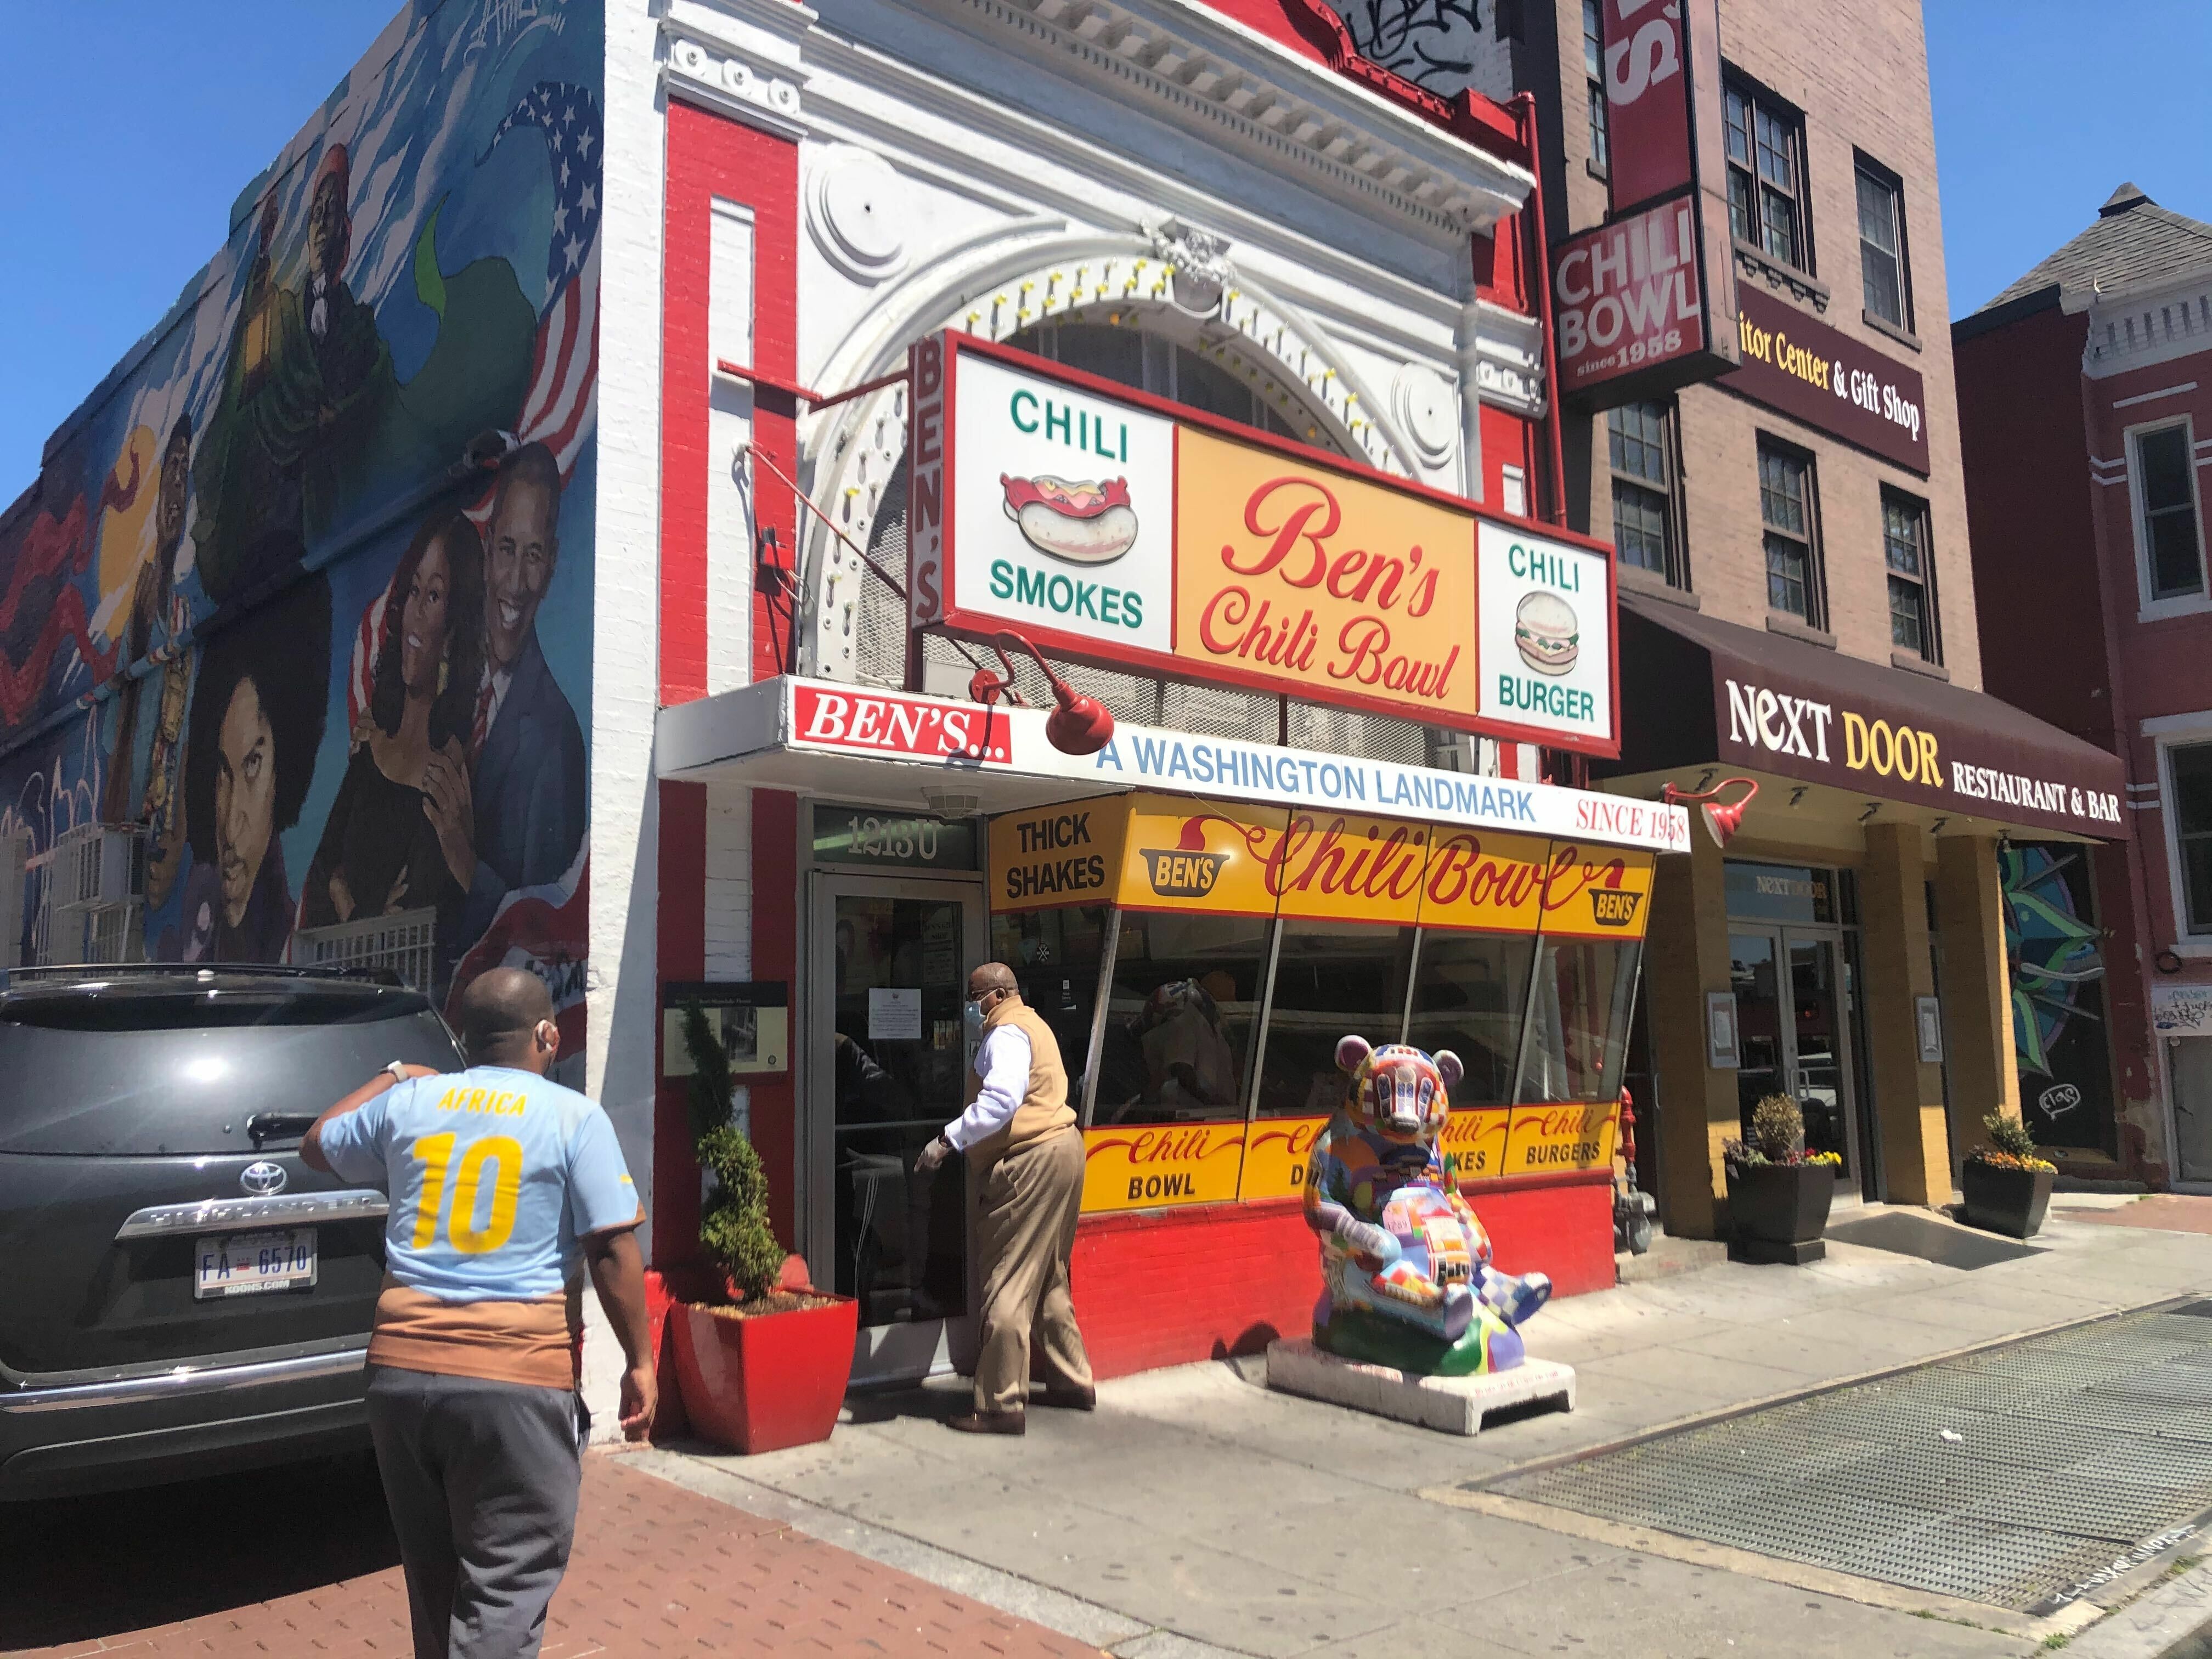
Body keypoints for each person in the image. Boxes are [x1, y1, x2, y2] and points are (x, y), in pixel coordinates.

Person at [301, 967, 656, 1659]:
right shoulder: (574, 1115)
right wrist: (641, 1360)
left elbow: (317, 1143)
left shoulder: (411, 1103)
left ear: (463, 1040)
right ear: (548, 1035)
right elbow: (612, 1247)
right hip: (514, 1379)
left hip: (400, 1375)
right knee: (505, 1588)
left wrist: (397, 1073)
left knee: (433, 1579)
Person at [422, 442, 585, 966]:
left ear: (554, 562)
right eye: (509, 549)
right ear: (488, 548)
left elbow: (545, 936)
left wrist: (465, 860)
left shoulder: (557, 738)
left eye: (534, 555)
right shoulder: (448, 687)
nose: (516, 582)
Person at [915, 962, 1094, 1435]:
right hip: (1064, 1148)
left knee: (1007, 1279)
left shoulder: (1006, 1034)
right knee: (1050, 1275)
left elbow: (1000, 1101)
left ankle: (1000, 1404)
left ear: (995, 997)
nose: (972, 1009)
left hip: (1030, 1159)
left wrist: (946, 1141)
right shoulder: (1035, 1024)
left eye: (975, 999)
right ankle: (1073, 1380)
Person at [302, 509, 486, 940]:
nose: (415, 616)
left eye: (435, 597)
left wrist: (350, 901)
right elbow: (323, 867)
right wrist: (350, 902)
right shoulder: (371, 743)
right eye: (414, 592)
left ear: (455, 628)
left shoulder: (447, 777)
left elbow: (417, 920)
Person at [167, 574, 331, 963]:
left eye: (253, 764)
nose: (230, 824)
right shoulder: (200, 933)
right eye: (222, 772)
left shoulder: (294, 953)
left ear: (285, 771)